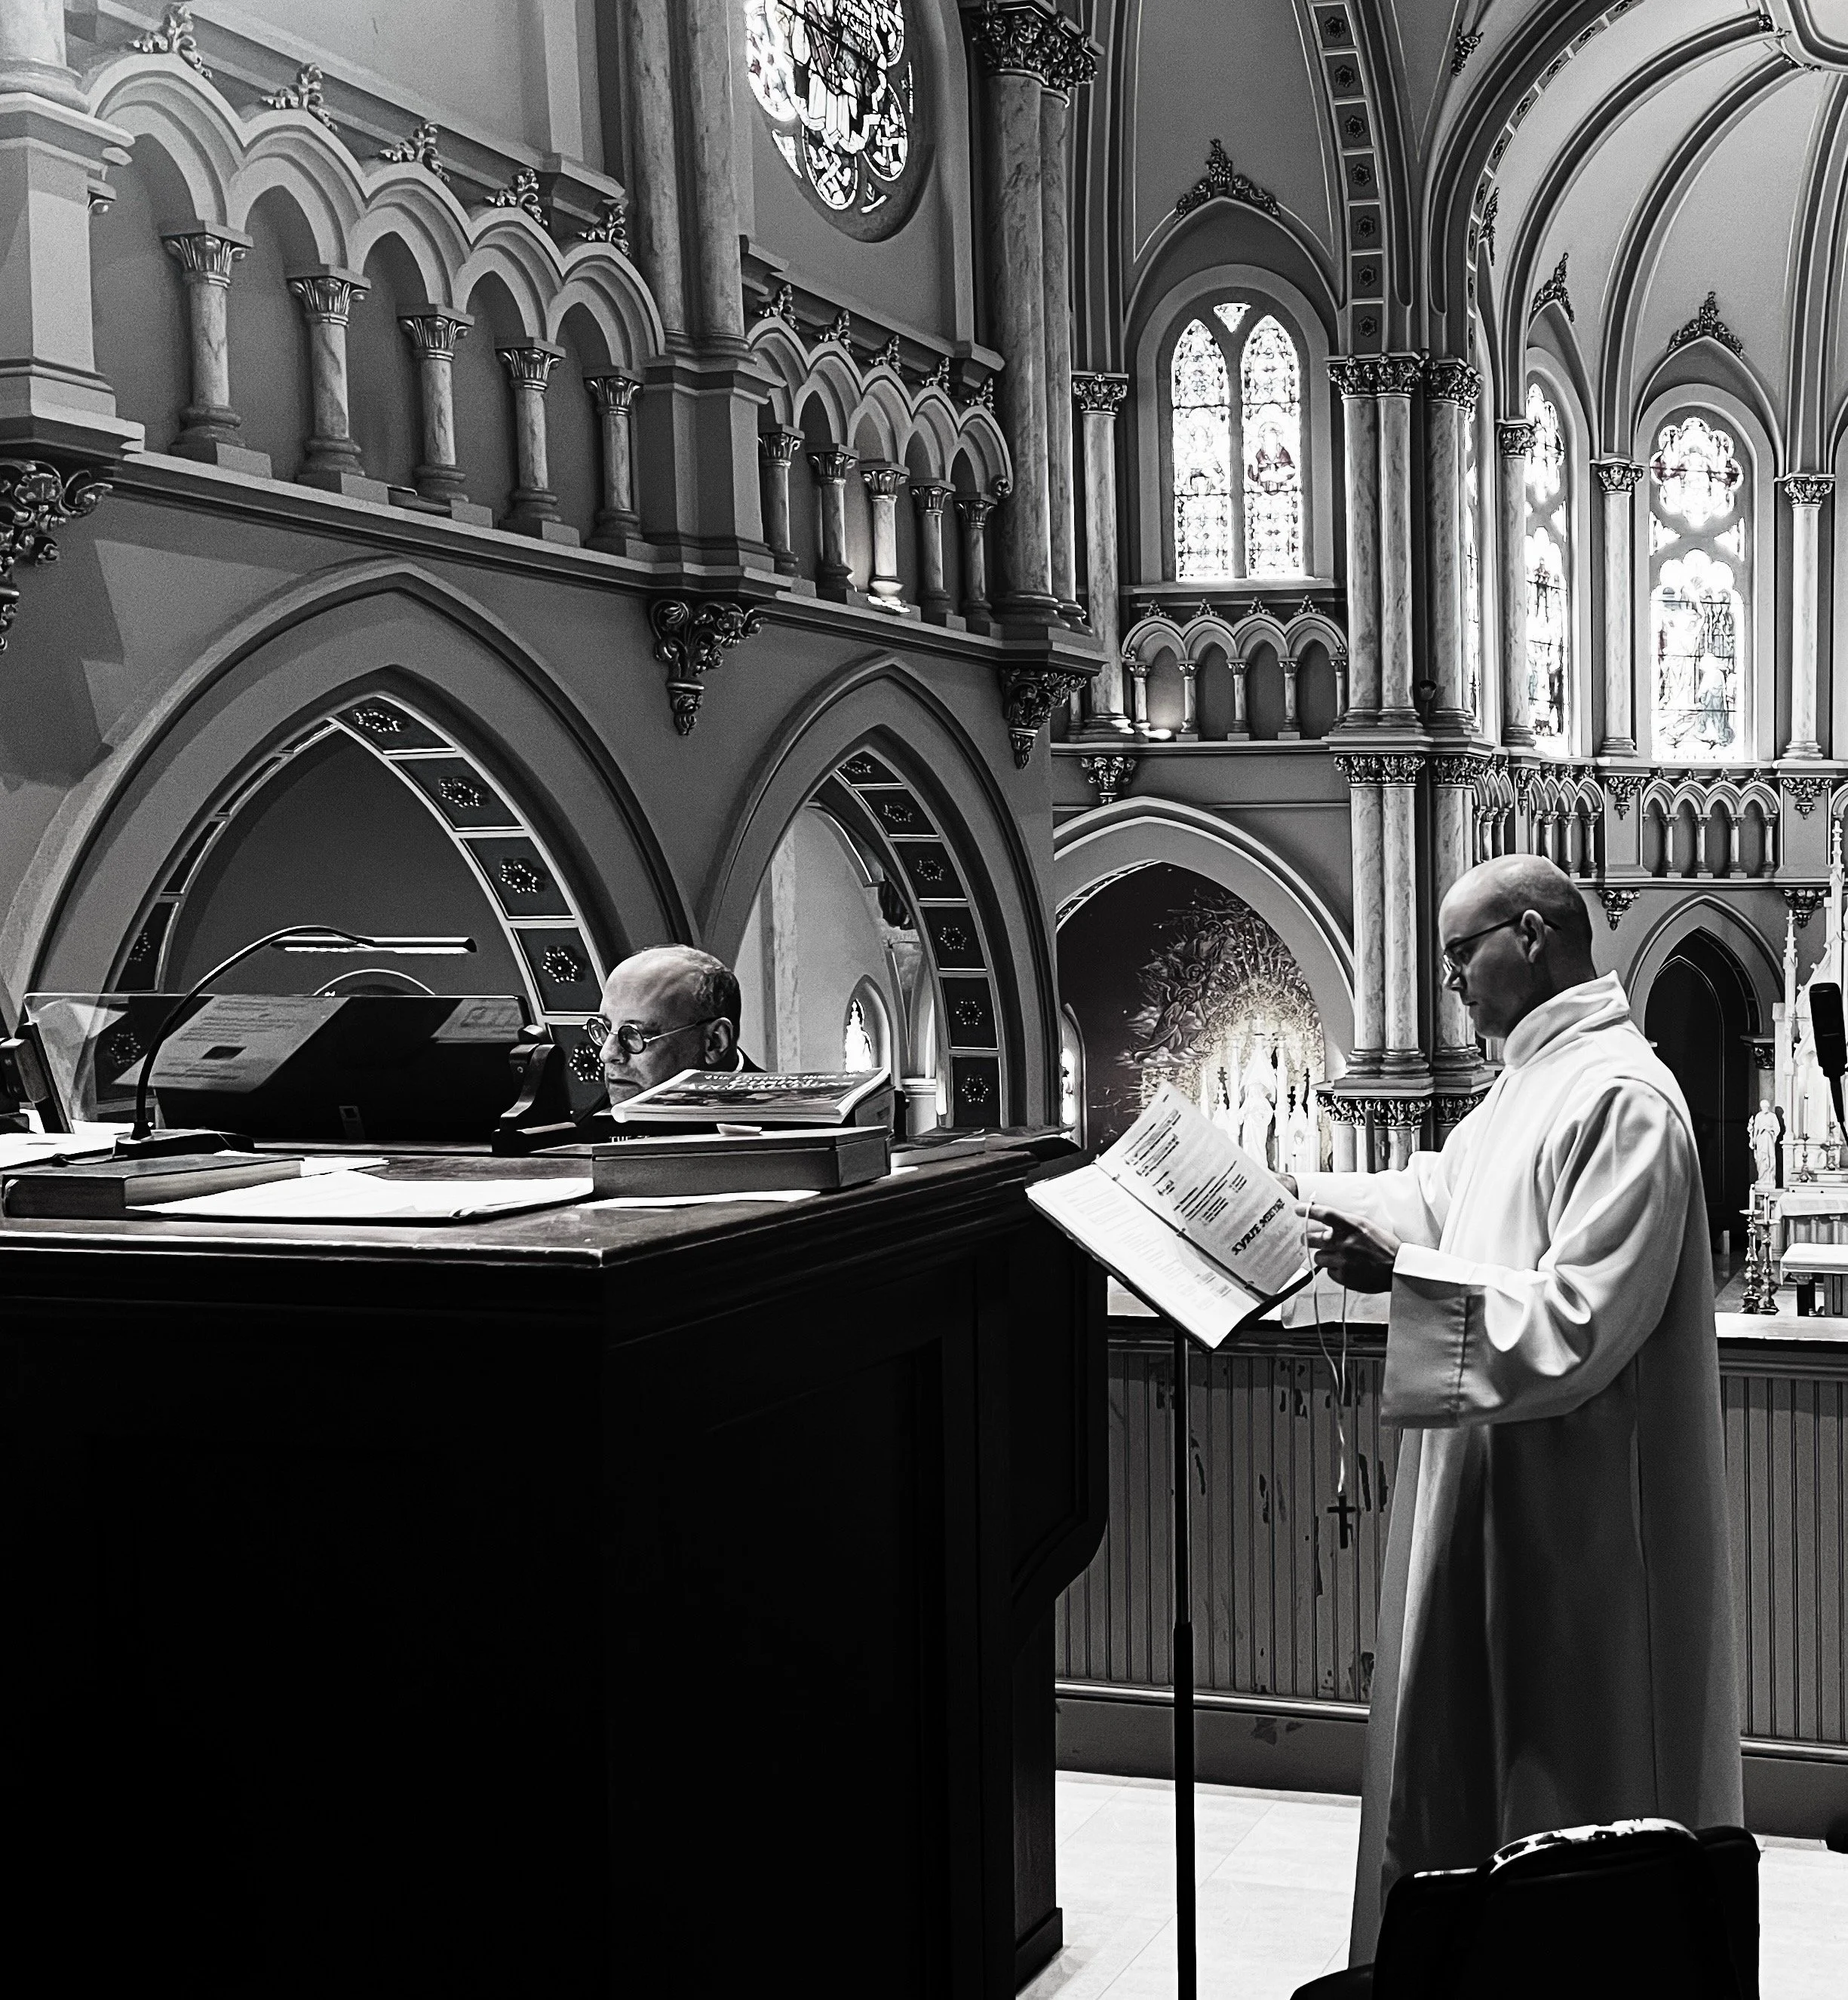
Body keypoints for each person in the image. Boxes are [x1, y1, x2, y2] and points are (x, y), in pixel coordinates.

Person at [1281, 854, 1741, 1962]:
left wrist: (1397, 1278)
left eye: (1459, 954)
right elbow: (1443, 1194)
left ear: (1531, 936)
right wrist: (1286, 1203)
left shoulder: (1619, 1098)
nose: (1451, 983)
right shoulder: (1531, 1084)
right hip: (1496, 1513)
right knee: (1469, 1805)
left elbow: (1580, 1322)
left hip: (1575, 1547)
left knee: (1563, 1805)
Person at [590, 944, 757, 1106]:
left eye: (635, 1034)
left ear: (715, 1043)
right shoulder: (582, 1130)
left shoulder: (779, 1127)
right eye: (604, 1028)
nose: (607, 1054)